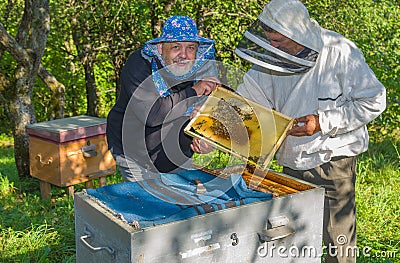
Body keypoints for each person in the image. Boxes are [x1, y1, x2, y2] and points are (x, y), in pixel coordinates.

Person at [235, 0, 386, 262]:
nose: (272, 46)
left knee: (337, 244)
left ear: (297, 33)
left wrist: (323, 122)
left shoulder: (340, 51)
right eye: (270, 39)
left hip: (332, 161)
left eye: (279, 41)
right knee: (296, 243)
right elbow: (248, 99)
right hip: (291, 161)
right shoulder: (270, 55)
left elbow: (374, 100)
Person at [106, 15, 218, 182]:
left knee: (178, 203)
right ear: (160, 48)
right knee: (147, 204)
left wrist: (205, 137)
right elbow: (153, 114)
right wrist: (195, 90)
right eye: (176, 47)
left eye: (191, 48)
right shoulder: (139, 65)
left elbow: (211, 111)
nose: (184, 55)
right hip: (135, 153)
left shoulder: (201, 70)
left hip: (177, 152)